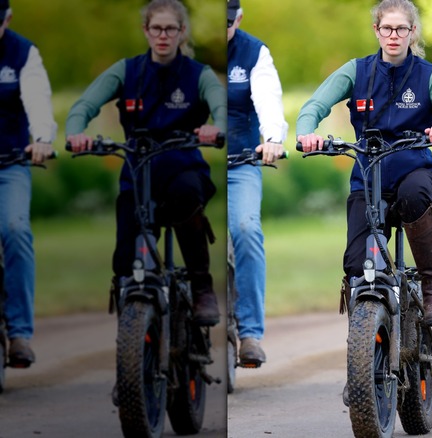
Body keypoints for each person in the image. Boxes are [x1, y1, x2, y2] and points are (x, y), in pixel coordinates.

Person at [297, 0, 432, 327]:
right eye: (386, 28)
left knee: (415, 195)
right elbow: (315, 104)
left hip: (414, 170)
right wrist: (307, 132)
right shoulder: (356, 71)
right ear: (376, 30)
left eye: (401, 28)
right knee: (357, 267)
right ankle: (365, 349)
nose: (393, 35)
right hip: (367, 176)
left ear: (412, 32)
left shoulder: (430, 75)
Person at [66, 0, 226, 327]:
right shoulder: (127, 71)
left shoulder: (199, 74)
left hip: (183, 169)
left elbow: (221, 108)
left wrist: (216, 128)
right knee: (124, 263)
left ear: (181, 32)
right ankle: (134, 347)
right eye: (156, 28)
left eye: (170, 28)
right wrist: (75, 133)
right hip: (138, 176)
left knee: (186, 198)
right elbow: (84, 105)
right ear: (146, 31)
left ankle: (201, 287)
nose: (163, 35)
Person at [227, 0, 287, 366]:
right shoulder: (182, 51)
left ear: (239, 17)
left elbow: (268, 99)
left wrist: (273, 138)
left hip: (240, 162)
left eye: (228, 23)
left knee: (246, 229)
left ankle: (249, 333)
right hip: (190, 162)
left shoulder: (253, 52)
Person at [0, 0, 57, 367]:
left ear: (7, 18)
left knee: (15, 229)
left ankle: (19, 332)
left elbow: (38, 101)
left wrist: (42, 139)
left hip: (11, 163)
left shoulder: (23, 52)